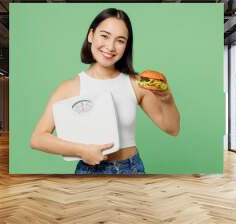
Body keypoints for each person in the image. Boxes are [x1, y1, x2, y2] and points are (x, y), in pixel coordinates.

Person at [30, 8, 180, 174]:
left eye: (120, 40)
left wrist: (167, 99)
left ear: (126, 46)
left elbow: (172, 129)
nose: (110, 46)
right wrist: (81, 151)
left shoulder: (135, 83)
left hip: (131, 169)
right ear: (91, 35)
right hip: (89, 171)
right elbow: (38, 138)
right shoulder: (69, 87)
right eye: (104, 35)